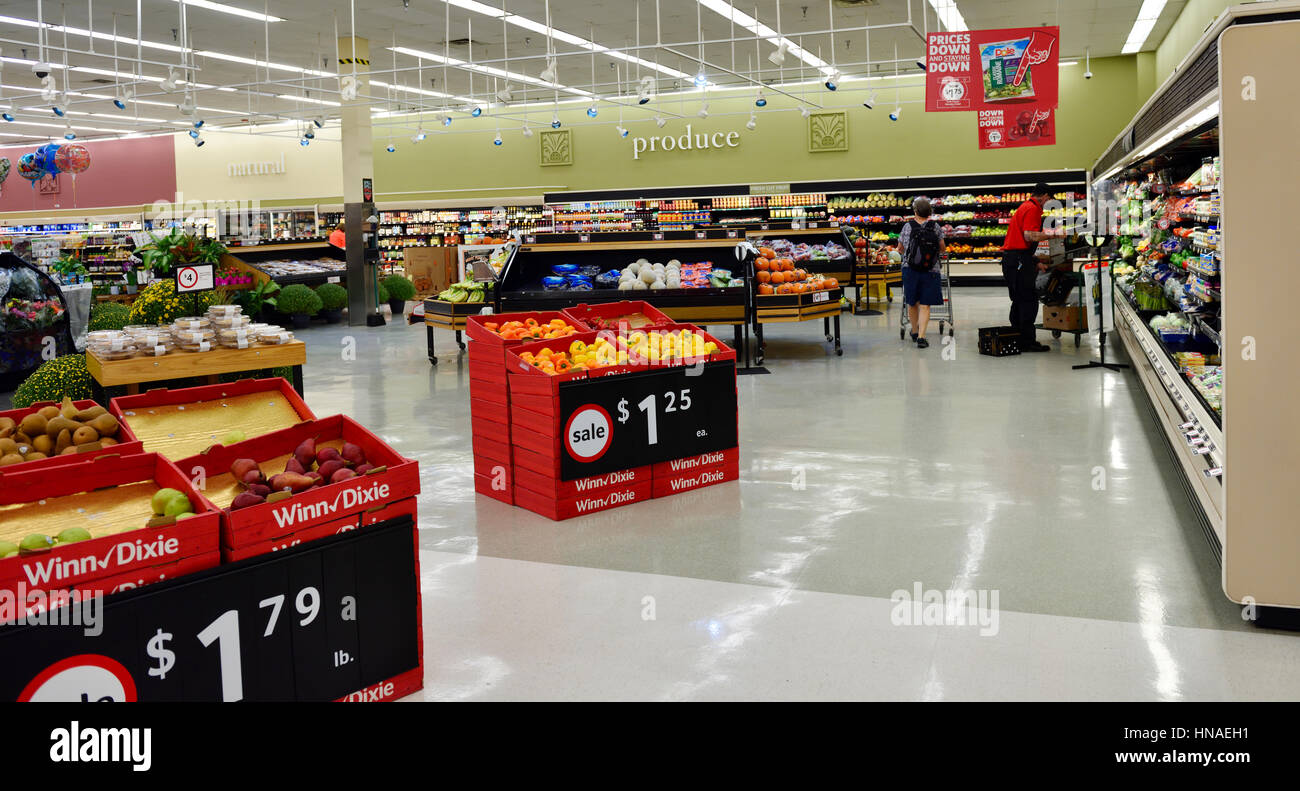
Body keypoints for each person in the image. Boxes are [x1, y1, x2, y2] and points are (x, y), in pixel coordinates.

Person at [1001, 183, 1060, 352]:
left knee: (1019, 299)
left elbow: (1021, 242)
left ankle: (1017, 337)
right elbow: (1029, 235)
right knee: (1028, 301)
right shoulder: (1033, 209)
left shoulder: (1024, 207)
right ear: (1046, 197)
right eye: (1050, 200)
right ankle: (1027, 342)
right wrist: (1054, 233)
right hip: (1018, 261)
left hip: (1014, 260)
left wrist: (1034, 262)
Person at [898, 196, 945, 349]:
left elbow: (900, 249)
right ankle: (922, 337)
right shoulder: (935, 227)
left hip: (910, 269)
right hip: (931, 270)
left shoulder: (907, 227)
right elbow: (942, 248)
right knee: (925, 305)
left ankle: (915, 331)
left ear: (915, 211)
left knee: (912, 302)